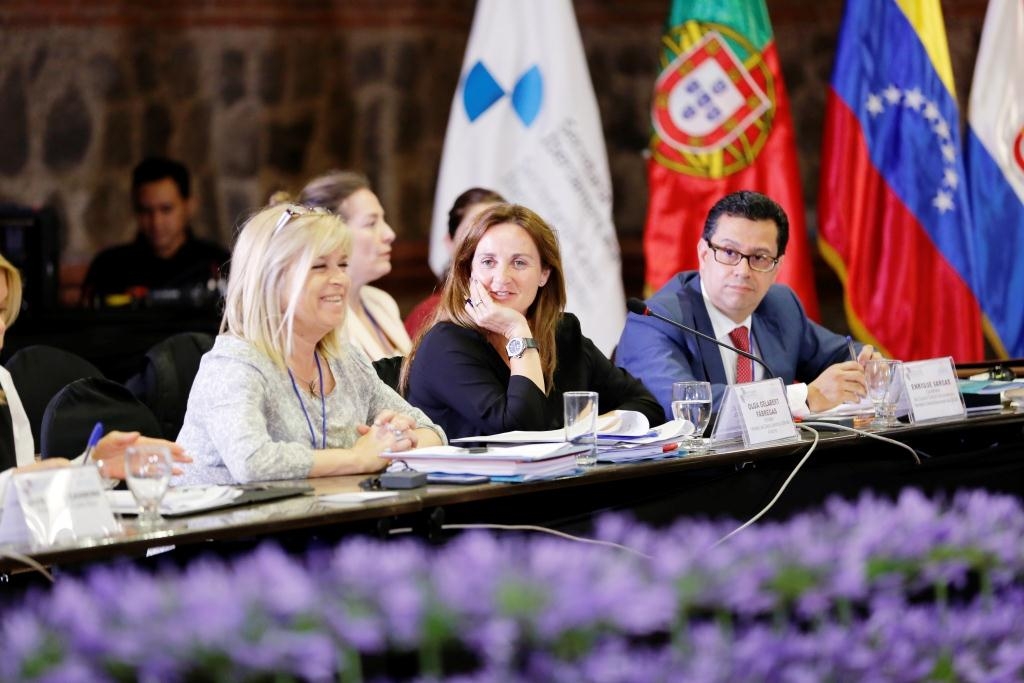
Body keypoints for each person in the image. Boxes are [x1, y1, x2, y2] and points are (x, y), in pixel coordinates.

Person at [176, 203, 445, 486]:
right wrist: (358, 457)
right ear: (270, 280)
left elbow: (432, 431)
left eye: (342, 264)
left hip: (320, 522)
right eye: (319, 266)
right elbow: (252, 462)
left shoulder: (345, 359)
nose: (340, 279)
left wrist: (397, 438)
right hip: (224, 528)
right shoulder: (233, 362)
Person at [402, 203, 662, 441]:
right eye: (488, 262)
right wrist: (517, 331)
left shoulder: (563, 334)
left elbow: (646, 405)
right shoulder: (447, 345)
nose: (501, 278)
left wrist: (588, 426)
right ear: (469, 271)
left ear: (544, 274)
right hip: (473, 492)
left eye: (519, 262)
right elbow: (522, 432)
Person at [616, 191, 875, 419]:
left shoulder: (780, 306)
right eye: (729, 252)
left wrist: (870, 364)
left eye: (759, 257)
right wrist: (805, 397)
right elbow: (687, 408)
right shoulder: (656, 320)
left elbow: (843, 354)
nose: (743, 270)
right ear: (704, 255)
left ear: (777, 268)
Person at [0, 254, 188, 500]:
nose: (2, 325)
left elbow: (27, 492)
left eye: (2, 310)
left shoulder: (2, 382)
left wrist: (96, 468)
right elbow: (18, 483)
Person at [81, 157, 229, 305]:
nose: (156, 222)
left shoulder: (215, 263)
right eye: (146, 211)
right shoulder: (109, 267)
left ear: (189, 206)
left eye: (166, 209)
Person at [297, 171, 410, 361]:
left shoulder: (382, 302)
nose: (389, 234)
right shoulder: (322, 317)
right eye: (371, 223)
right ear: (333, 233)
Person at [404, 187, 506, 338]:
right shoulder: (428, 315)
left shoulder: (527, 308)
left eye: (496, 232)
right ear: (449, 242)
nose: (486, 244)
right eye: (472, 233)